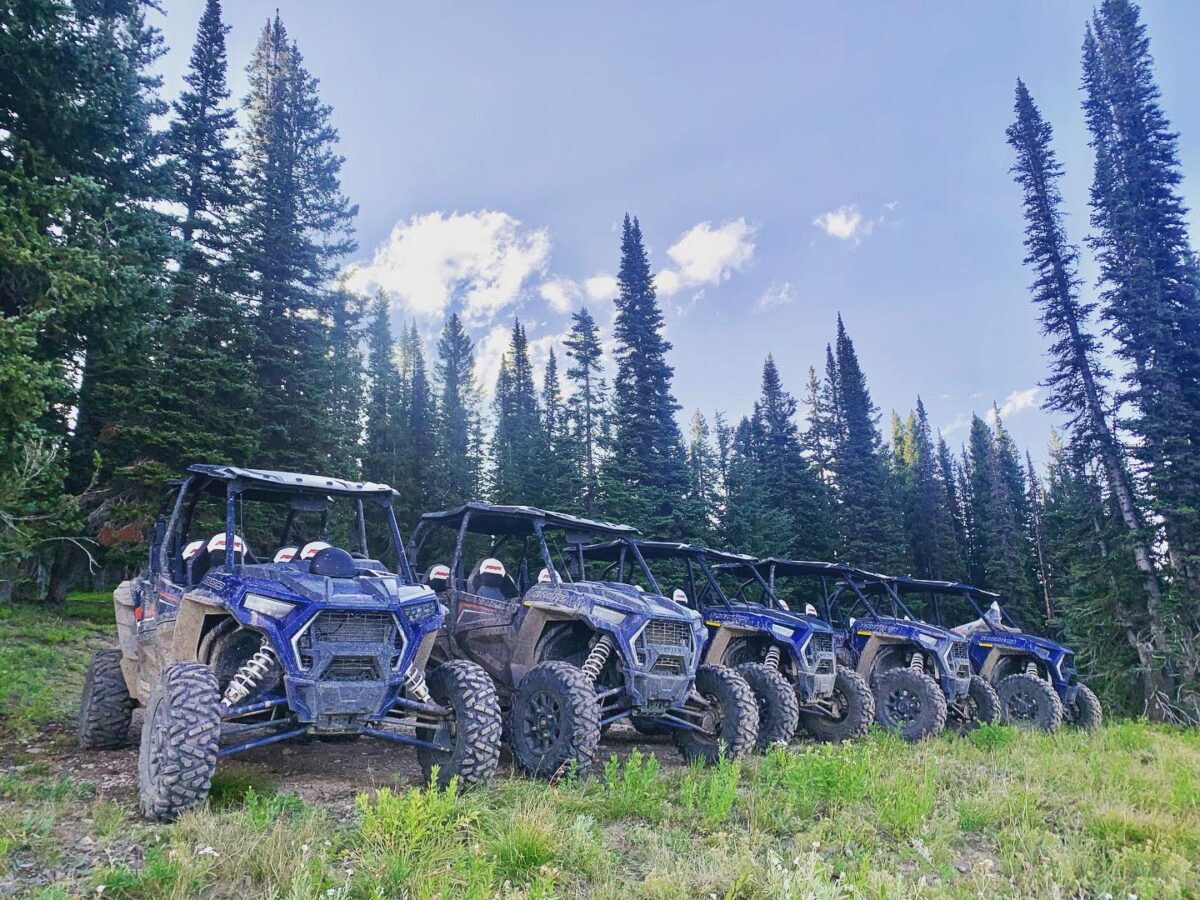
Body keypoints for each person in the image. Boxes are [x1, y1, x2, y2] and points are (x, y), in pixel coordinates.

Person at [954, 600, 1019, 637]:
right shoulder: (982, 625)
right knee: (978, 628)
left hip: (992, 628)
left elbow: (996, 624)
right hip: (987, 628)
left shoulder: (986, 623)